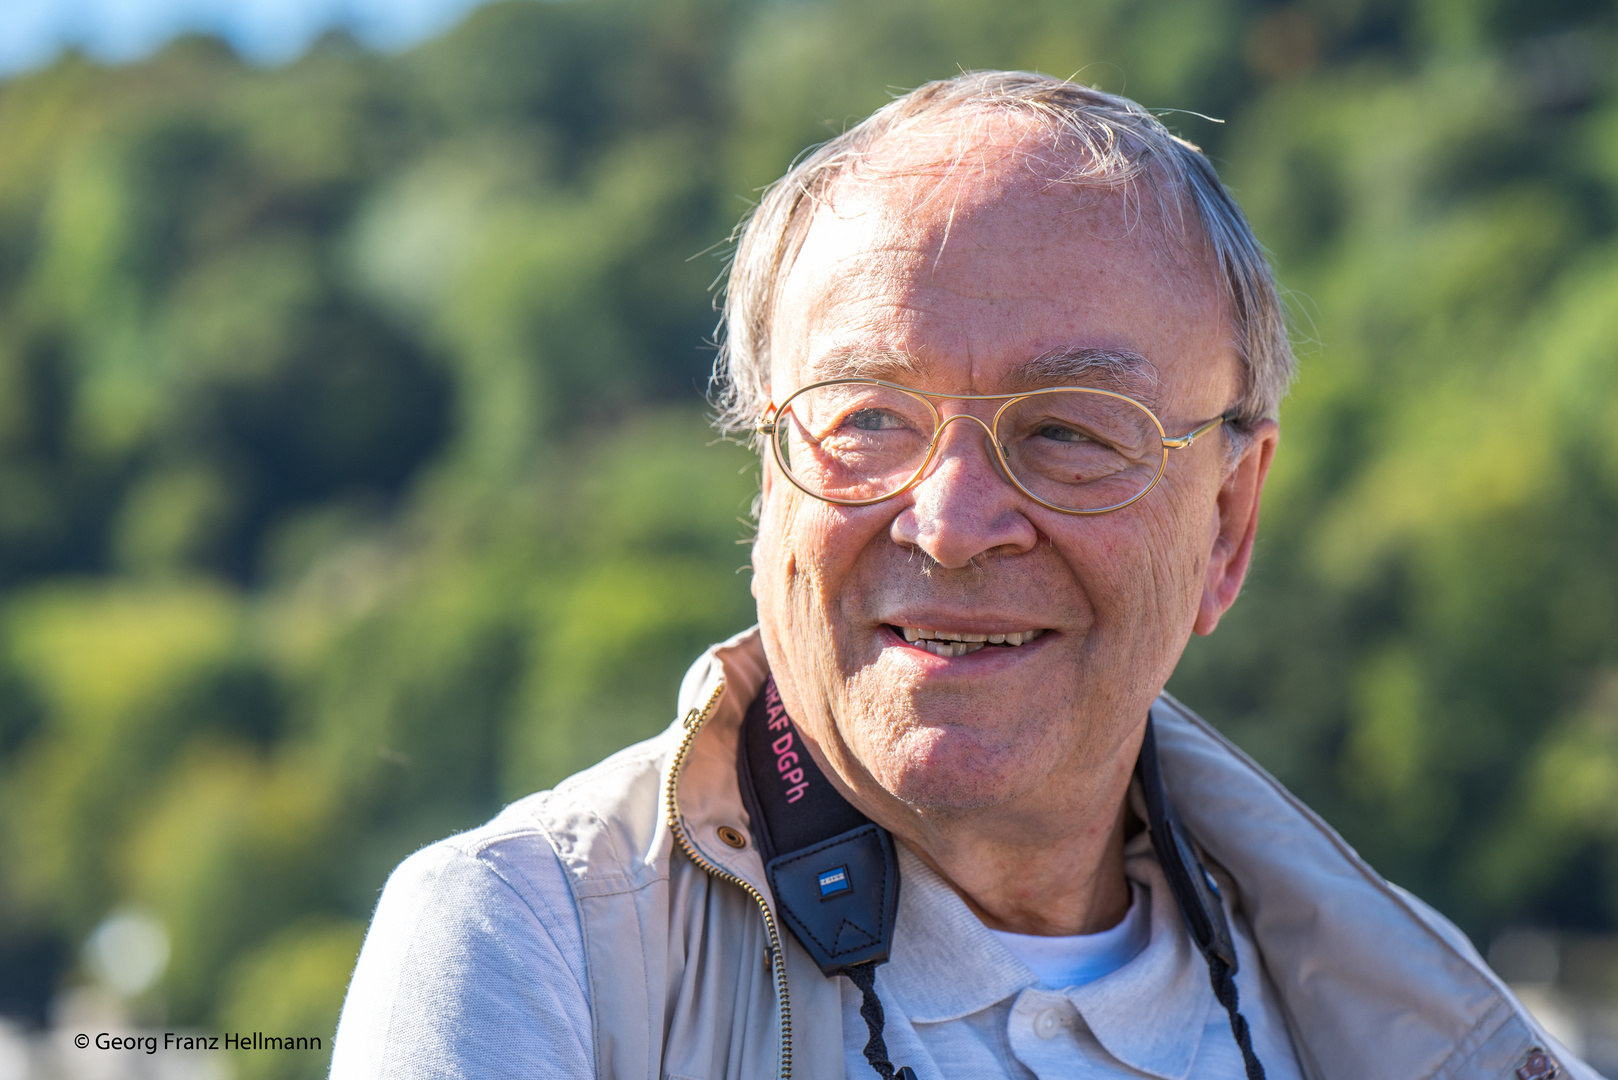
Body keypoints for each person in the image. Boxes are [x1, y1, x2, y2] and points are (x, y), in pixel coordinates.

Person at [329, 71, 1599, 1080]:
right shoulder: (533, 945)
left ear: (1227, 523)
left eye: (1066, 431)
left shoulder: (1426, 1020)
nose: (948, 523)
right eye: (868, 418)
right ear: (768, 473)